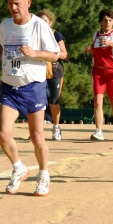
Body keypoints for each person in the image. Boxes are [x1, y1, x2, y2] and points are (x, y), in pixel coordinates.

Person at [0, 0, 60, 196]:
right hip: (10, 87)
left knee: (37, 136)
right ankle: (19, 168)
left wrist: (34, 52)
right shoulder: (5, 25)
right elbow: (2, 45)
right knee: (2, 133)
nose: (13, 8)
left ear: (28, 3)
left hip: (33, 87)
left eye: (17, 3)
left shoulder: (39, 26)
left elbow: (55, 55)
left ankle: (44, 175)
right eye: (10, 4)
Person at [85, 9, 113, 141]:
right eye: (104, 20)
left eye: (110, 20)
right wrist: (90, 50)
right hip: (98, 72)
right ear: (100, 22)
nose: (107, 22)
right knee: (97, 101)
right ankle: (98, 131)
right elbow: (98, 51)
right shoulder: (96, 35)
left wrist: (111, 43)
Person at [37, 9, 68, 140]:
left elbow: (64, 54)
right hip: (38, 71)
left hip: (54, 71)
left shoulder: (56, 35)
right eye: (40, 21)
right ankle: (37, 131)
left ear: (50, 23)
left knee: (53, 101)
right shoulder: (34, 35)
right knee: (37, 101)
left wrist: (52, 53)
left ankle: (56, 127)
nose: (42, 24)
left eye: (45, 21)